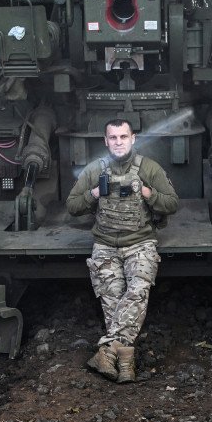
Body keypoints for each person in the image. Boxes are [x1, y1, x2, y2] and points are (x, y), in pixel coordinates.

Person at [66, 119, 179, 383]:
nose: (118, 142)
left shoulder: (149, 168)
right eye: (113, 138)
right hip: (105, 246)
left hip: (140, 243)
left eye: (123, 137)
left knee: (137, 292)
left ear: (133, 138)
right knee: (114, 304)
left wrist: (148, 193)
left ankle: (107, 353)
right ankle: (126, 363)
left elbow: (172, 203)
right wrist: (94, 193)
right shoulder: (95, 170)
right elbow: (72, 206)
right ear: (105, 141)